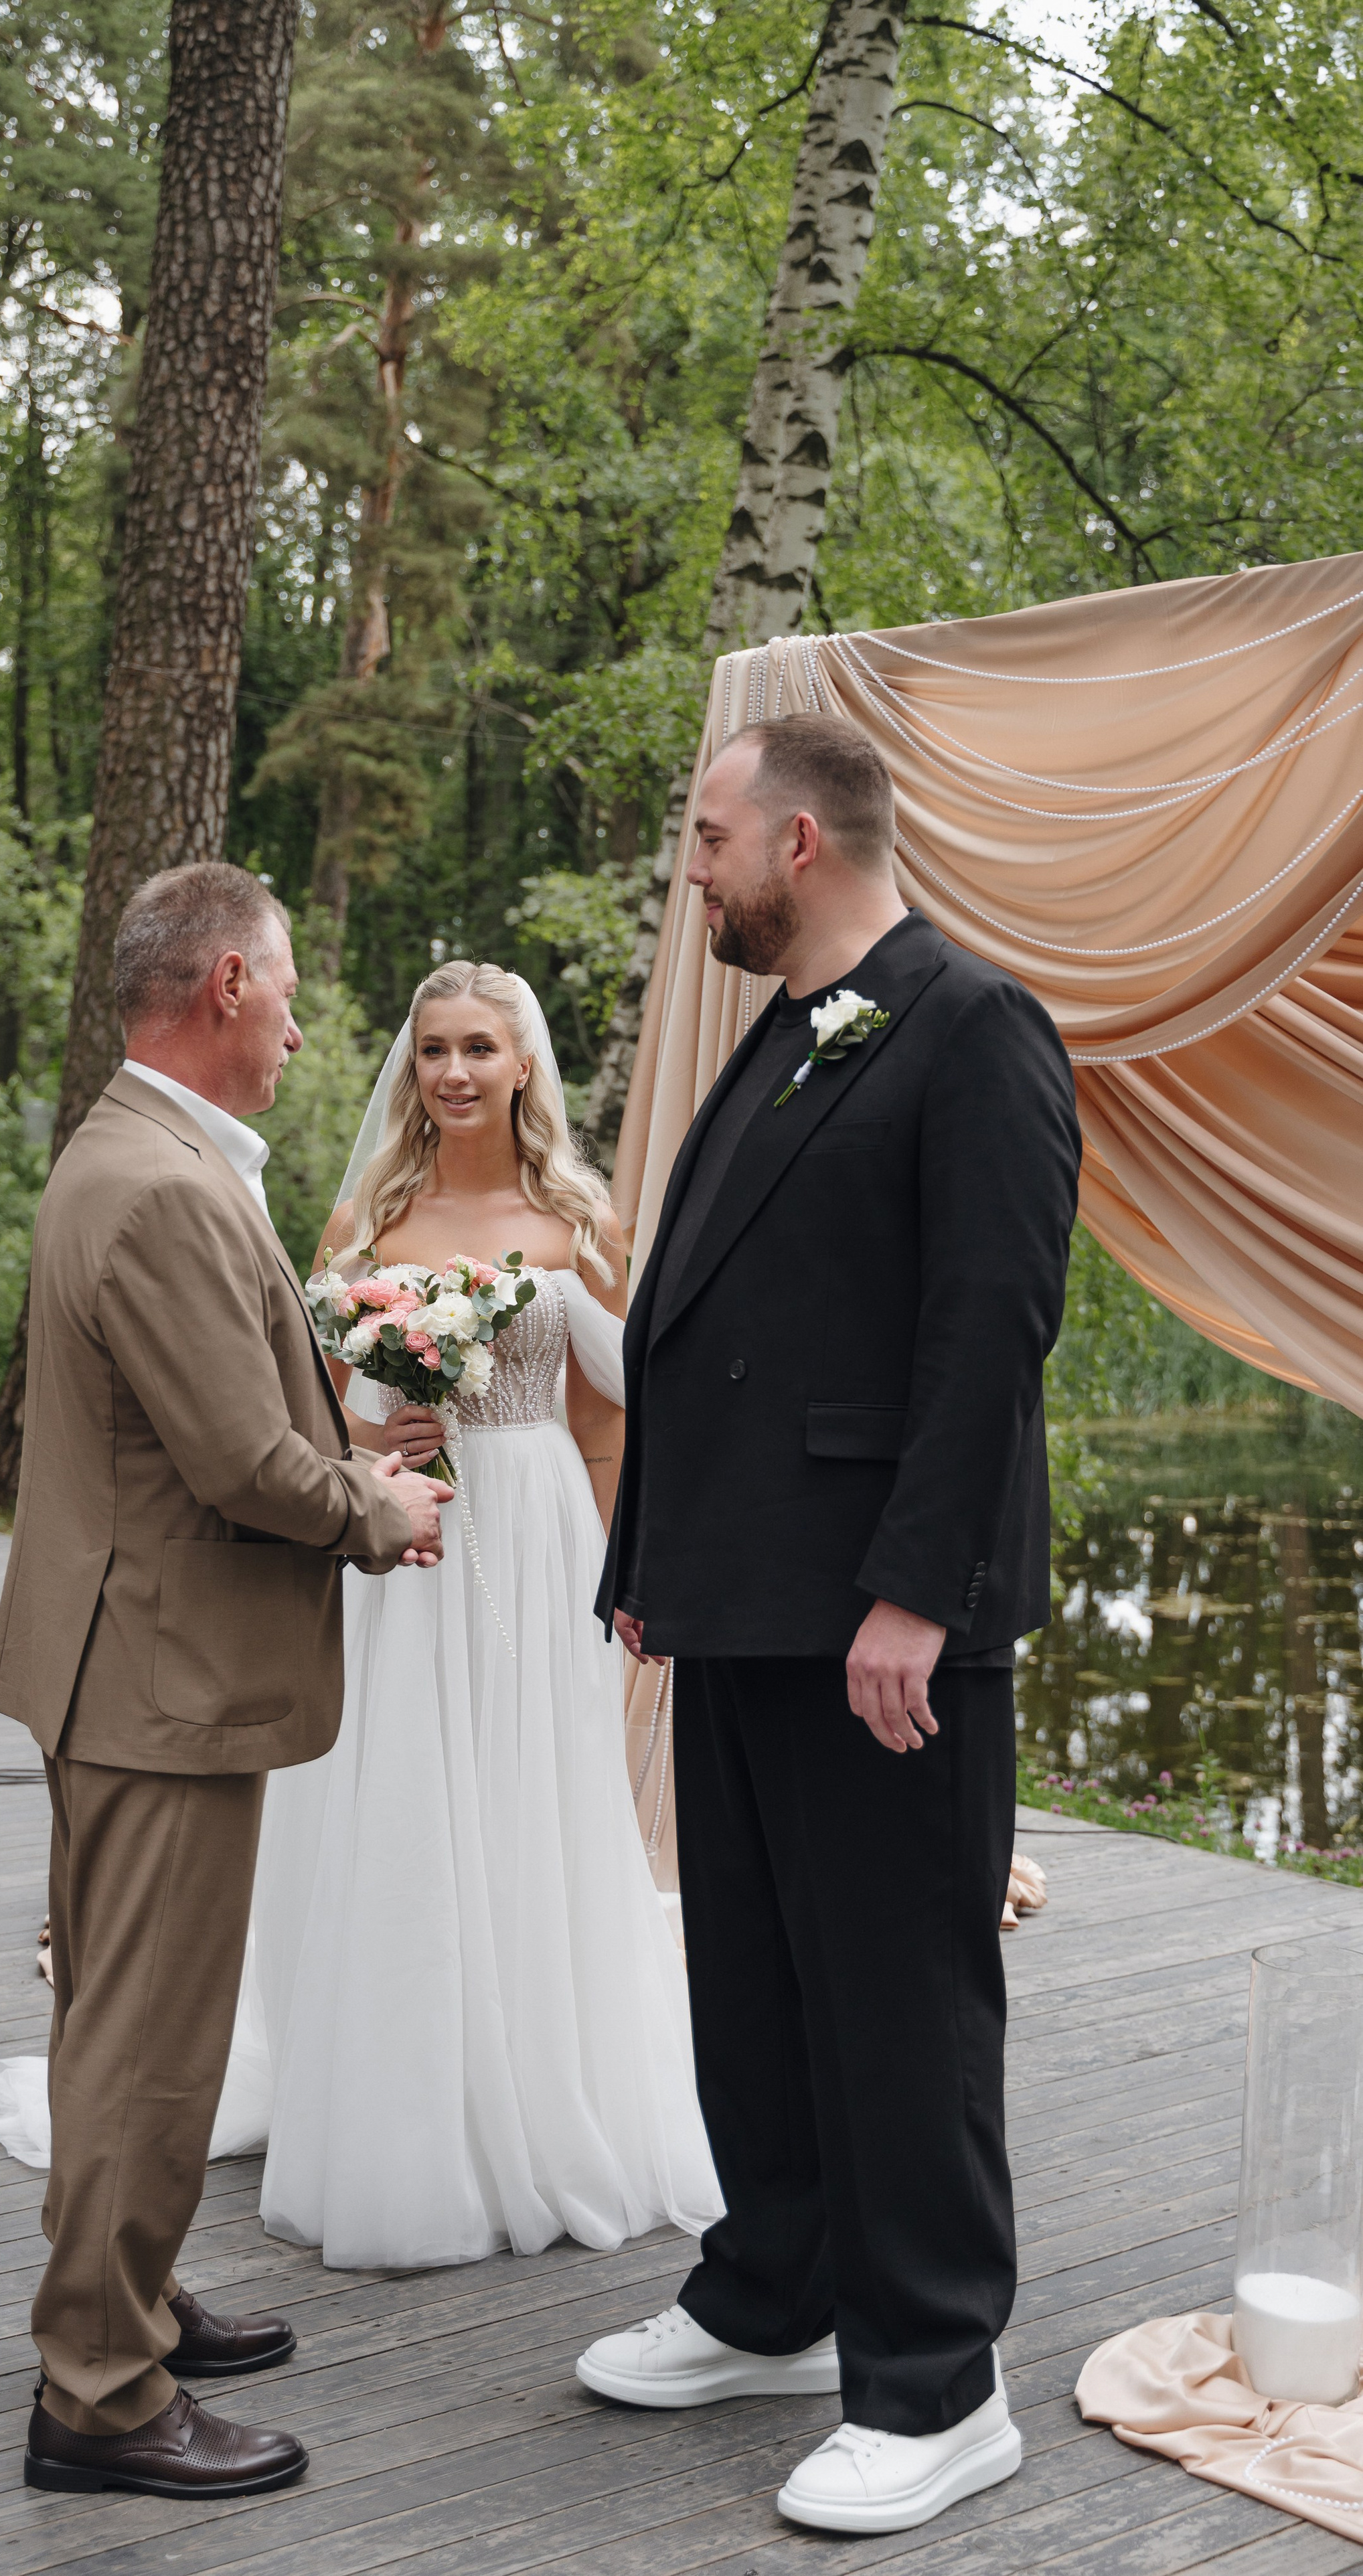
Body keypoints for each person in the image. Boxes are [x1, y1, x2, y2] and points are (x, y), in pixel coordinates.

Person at [577, 714, 1082, 2537]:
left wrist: (912, 1600)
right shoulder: (780, 1039)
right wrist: (651, 1556)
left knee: (901, 2000)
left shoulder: (974, 1028)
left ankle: (942, 2381)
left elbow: (987, 1339)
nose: (688, 867)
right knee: (760, 1983)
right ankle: (774, 2290)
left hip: (880, 1624)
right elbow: (694, 1331)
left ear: (800, 842)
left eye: (705, 834)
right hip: (741, 1607)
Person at [0, 861, 448, 2502]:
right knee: (146, 2039)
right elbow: (239, 1458)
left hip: (123, 1657)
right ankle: (99, 2391)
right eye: (294, 987)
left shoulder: (134, 1154)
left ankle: (135, 2293)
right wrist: (376, 1509)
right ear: (227, 987)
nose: (310, 1024)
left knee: (122, 2010)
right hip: (157, 1672)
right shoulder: (165, 1186)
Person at [207, 959, 722, 2267]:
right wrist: (376, 1436)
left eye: (477, 1047)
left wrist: (622, 1575)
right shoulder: (367, 1220)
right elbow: (309, 1400)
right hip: (406, 1537)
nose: (450, 1071)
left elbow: (609, 1420)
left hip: (541, 1529)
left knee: (531, 1796)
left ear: (521, 1064)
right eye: (432, 1046)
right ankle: (400, 2107)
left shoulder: (577, 1216)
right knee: (407, 1797)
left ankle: (539, 2091)